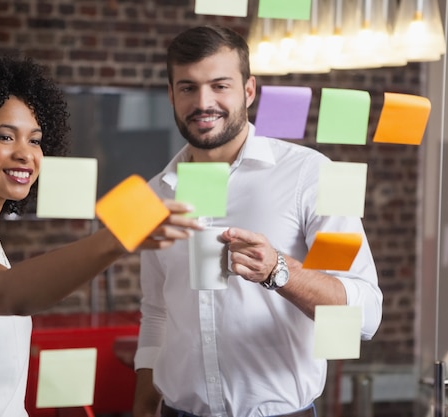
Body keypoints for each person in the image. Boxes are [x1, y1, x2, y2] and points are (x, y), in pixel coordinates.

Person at [0, 54, 202, 417]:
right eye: (5, 136)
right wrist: (116, 237)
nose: (25, 154)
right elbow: (7, 293)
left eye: (35, 140)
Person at [132, 25, 383, 417]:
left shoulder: (314, 175)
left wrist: (279, 271)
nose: (203, 102)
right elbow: (156, 311)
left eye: (219, 85)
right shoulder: (155, 194)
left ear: (248, 90)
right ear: (171, 95)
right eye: (187, 88)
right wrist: (144, 406)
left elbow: (365, 312)